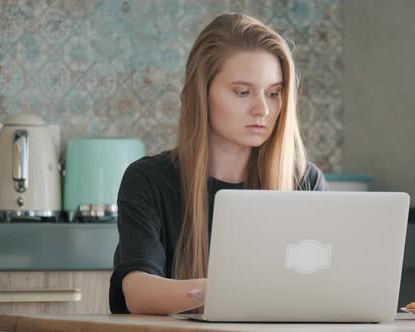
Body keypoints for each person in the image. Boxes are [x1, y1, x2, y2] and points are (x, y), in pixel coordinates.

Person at [109, 13, 328, 315]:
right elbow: (139, 293)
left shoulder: (305, 181)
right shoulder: (149, 180)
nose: (262, 109)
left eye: (273, 93)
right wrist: (227, 288)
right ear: (202, 94)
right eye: (242, 92)